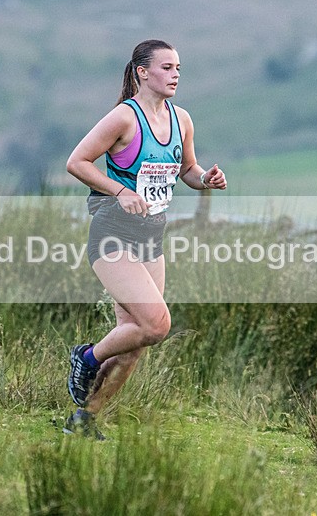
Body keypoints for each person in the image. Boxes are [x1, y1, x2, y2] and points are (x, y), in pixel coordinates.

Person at [63, 39, 227, 439]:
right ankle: (86, 357)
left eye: (178, 69)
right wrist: (120, 191)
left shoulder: (182, 119)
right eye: (167, 67)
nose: (174, 75)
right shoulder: (124, 118)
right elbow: (76, 162)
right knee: (156, 325)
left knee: (135, 343)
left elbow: (187, 169)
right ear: (142, 72)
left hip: (151, 238)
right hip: (112, 234)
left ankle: (85, 419)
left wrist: (204, 180)